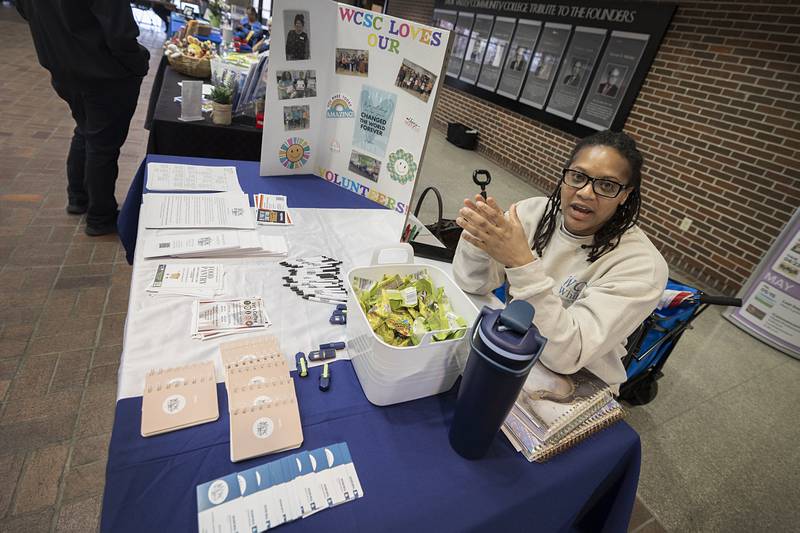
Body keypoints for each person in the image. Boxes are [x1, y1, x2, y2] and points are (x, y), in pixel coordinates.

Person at [453, 130, 668, 392]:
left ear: (625, 194)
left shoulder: (642, 265)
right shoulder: (532, 213)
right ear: (564, 176)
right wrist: (479, 240)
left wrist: (522, 263)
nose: (587, 193)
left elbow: (567, 355)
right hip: (512, 348)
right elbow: (471, 283)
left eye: (607, 186)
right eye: (578, 177)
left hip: (578, 384)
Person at [15, 0, 149, 236]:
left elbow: (24, 9)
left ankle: (78, 196)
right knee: (103, 144)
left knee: (87, 128)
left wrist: (60, 34)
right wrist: (139, 62)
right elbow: (120, 34)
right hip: (103, 71)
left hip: (63, 65)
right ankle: (100, 216)